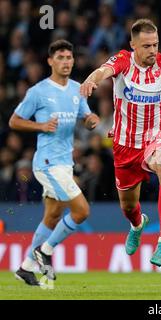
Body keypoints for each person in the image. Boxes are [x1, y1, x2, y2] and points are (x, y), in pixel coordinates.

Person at [80, 19, 161, 267]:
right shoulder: (122, 60)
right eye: (146, 46)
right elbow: (103, 71)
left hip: (158, 136)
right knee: (128, 206)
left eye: (155, 44)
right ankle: (137, 224)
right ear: (133, 45)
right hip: (124, 145)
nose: (152, 50)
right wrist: (92, 79)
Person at [9, 40, 100, 285]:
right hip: (47, 163)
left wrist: (91, 119)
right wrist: (40, 125)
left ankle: (26, 267)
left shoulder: (77, 89)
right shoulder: (38, 91)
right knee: (81, 210)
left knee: (52, 216)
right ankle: (45, 251)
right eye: (60, 57)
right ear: (50, 61)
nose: (66, 62)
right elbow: (14, 121)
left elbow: (85, 116)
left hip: (64, 162)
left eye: (69, 57)